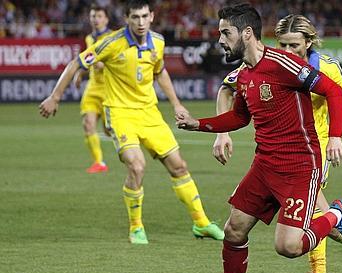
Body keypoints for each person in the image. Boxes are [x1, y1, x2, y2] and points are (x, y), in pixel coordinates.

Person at [176, 3, 342, 273]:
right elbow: (239, 116)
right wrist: (199, 124)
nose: (220, 40)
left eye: (225, 33)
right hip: (265, 164)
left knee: (288, 246)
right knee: (233, 229)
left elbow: (332, 91)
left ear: (247, 33)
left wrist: (336, 137)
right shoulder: (244, 74)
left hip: (300, 165)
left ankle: (337, 215)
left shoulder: (283, 64)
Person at [38, 0, 224, 244]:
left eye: (144, 16)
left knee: (179, 166)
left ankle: (201, 223)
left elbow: (160, 72)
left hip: (149, 113)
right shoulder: (111, 43)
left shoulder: (157, 41)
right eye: (135, 17)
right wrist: (55, 97)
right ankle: (136, 227)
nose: (140, 22)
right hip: (119, 113)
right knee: (137, 166)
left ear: (152, 17)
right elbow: (76, 63)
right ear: (127, 18)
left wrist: (176, 103)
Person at [73, 4, 112, 174]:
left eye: (99, 16)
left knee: (109, 130)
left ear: (106, 19)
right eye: (93, 16)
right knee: (88, 124)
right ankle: (99, 162)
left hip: (110, 89)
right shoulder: (89, 38)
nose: (95, 20)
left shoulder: (113, 38)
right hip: (93, 88)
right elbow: (88, 60)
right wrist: (81, 74)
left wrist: (105, 64)